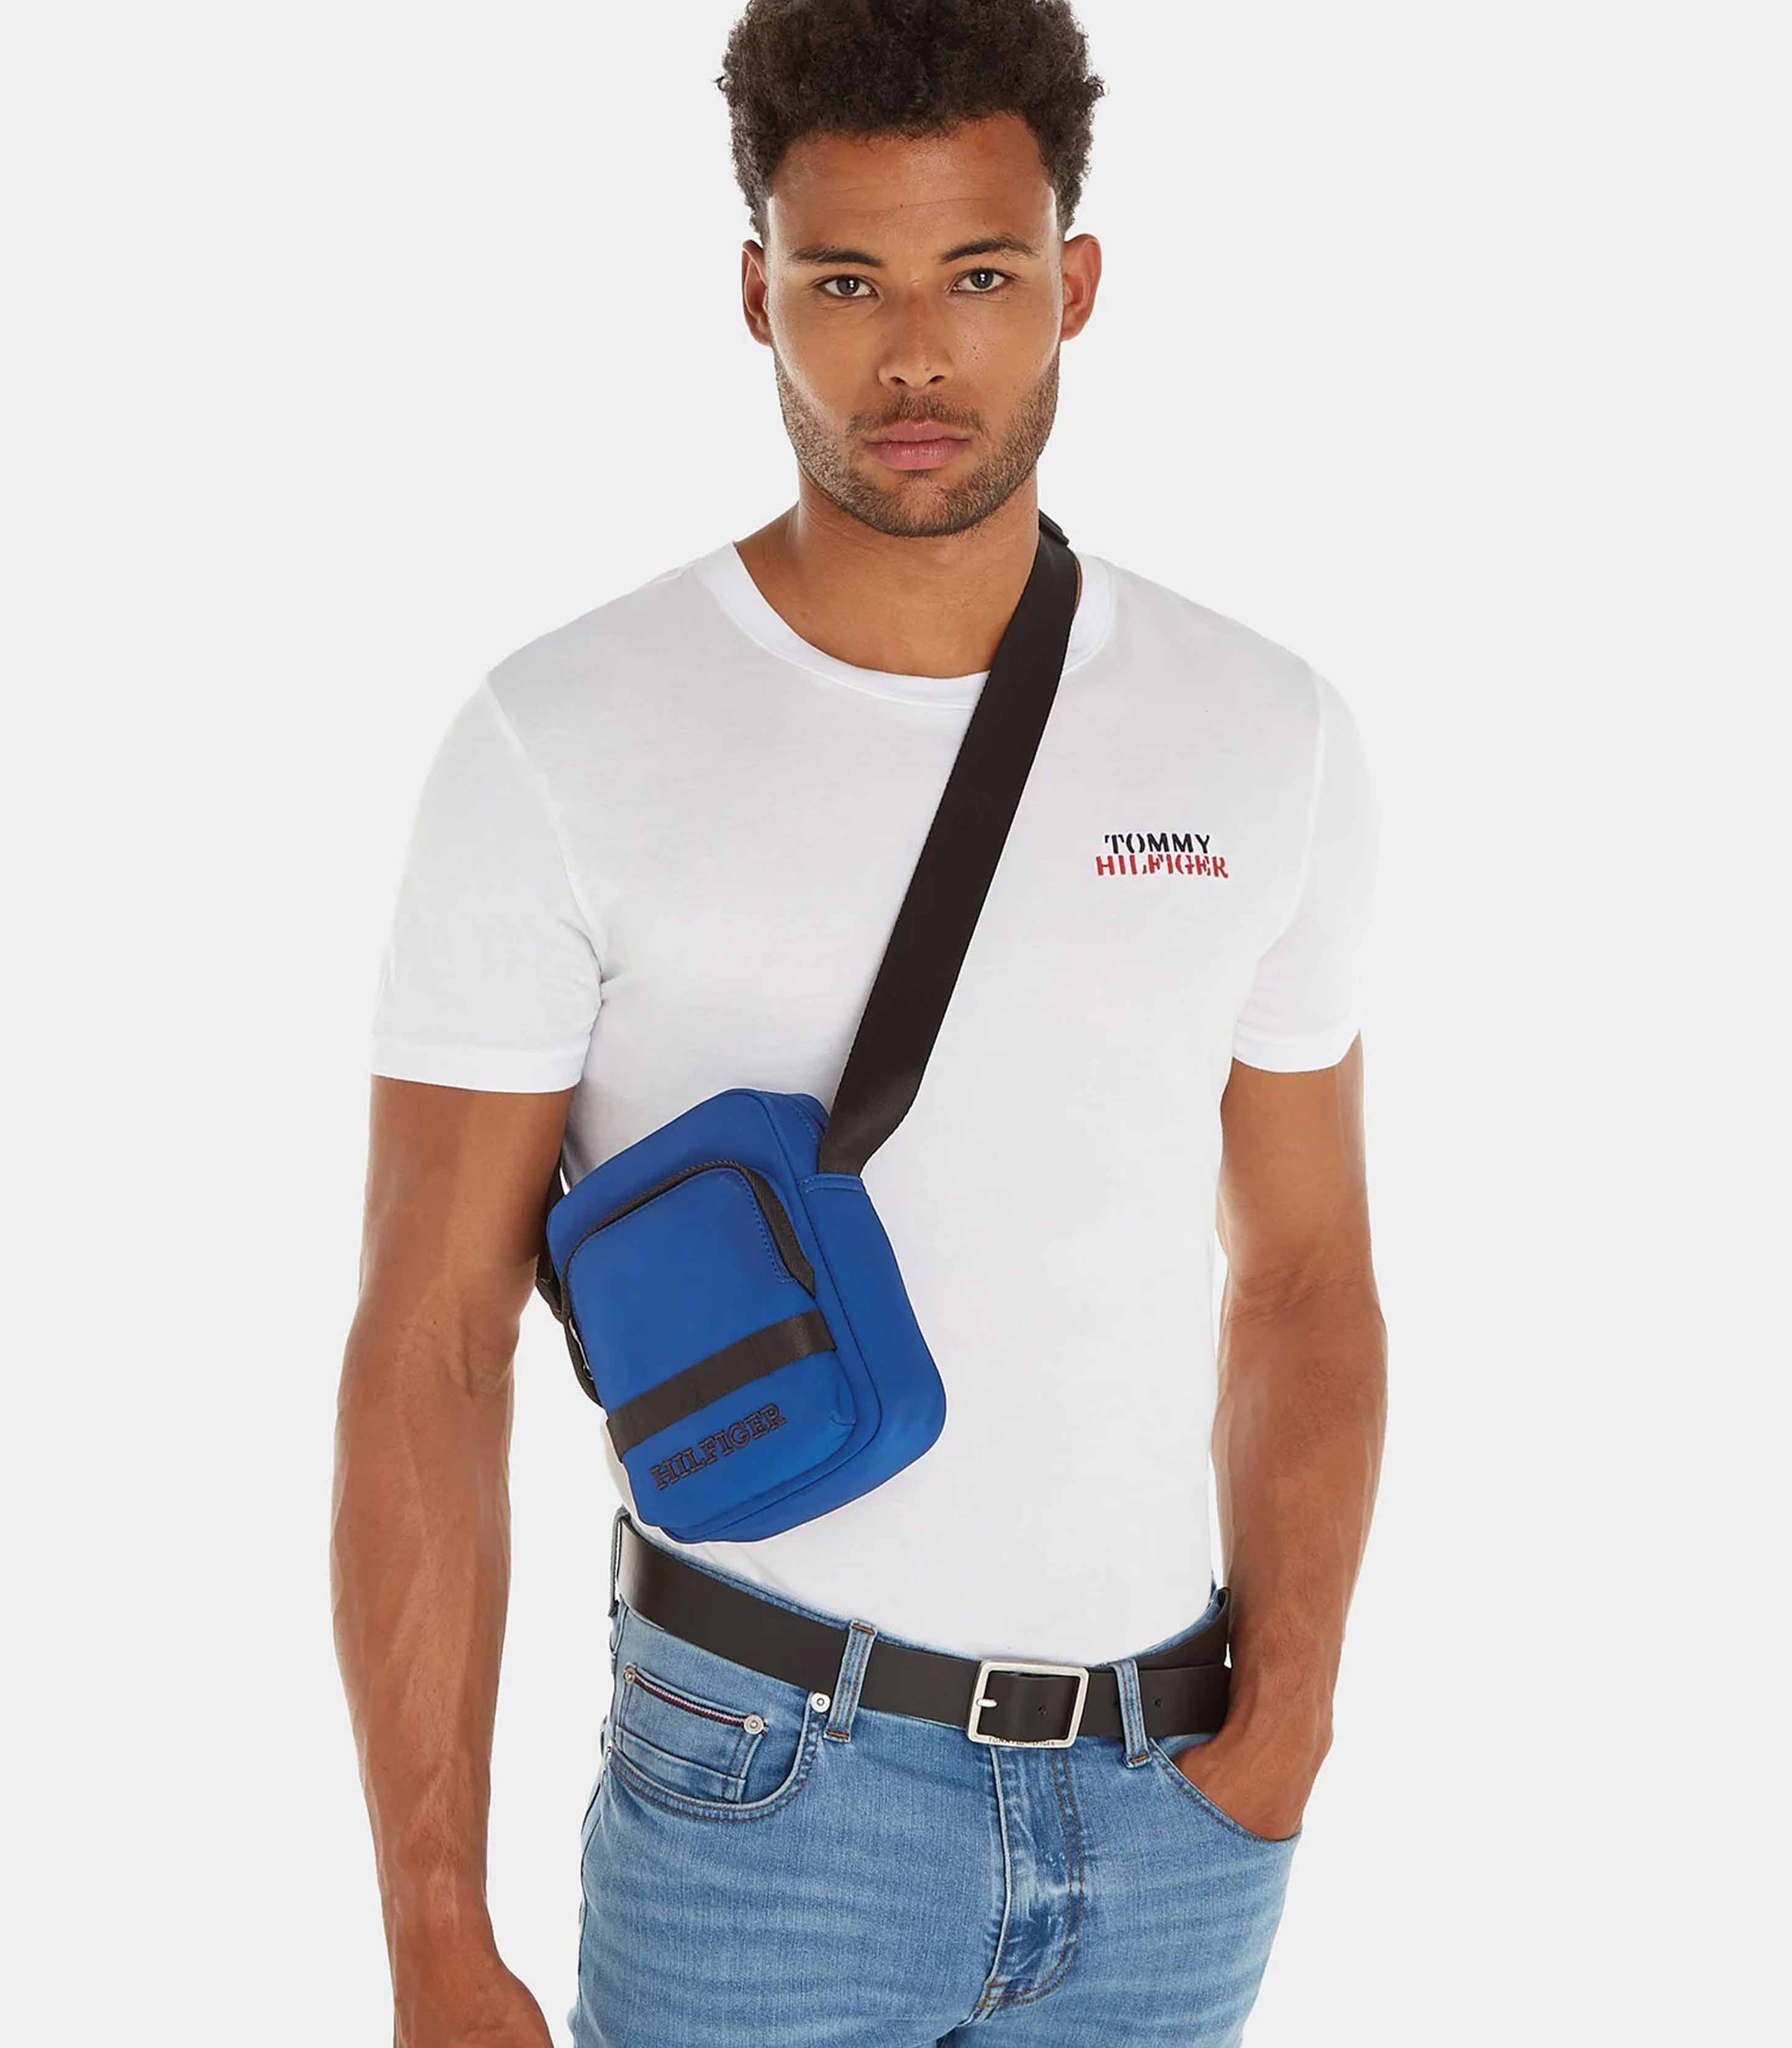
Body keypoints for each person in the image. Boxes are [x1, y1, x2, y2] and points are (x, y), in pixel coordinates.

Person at [331, 3, 1387, 2042]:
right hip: (764, 1795)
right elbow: (431, 1345)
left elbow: (1309, 1278)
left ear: (1076, 282)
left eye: (979, 277)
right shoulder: (559, 737)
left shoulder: (1269, 733)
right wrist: (432, 1931)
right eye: (846, 283)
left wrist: (1288, 1731)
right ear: (757, 294)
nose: (915, 357)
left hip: (1173, 1817)